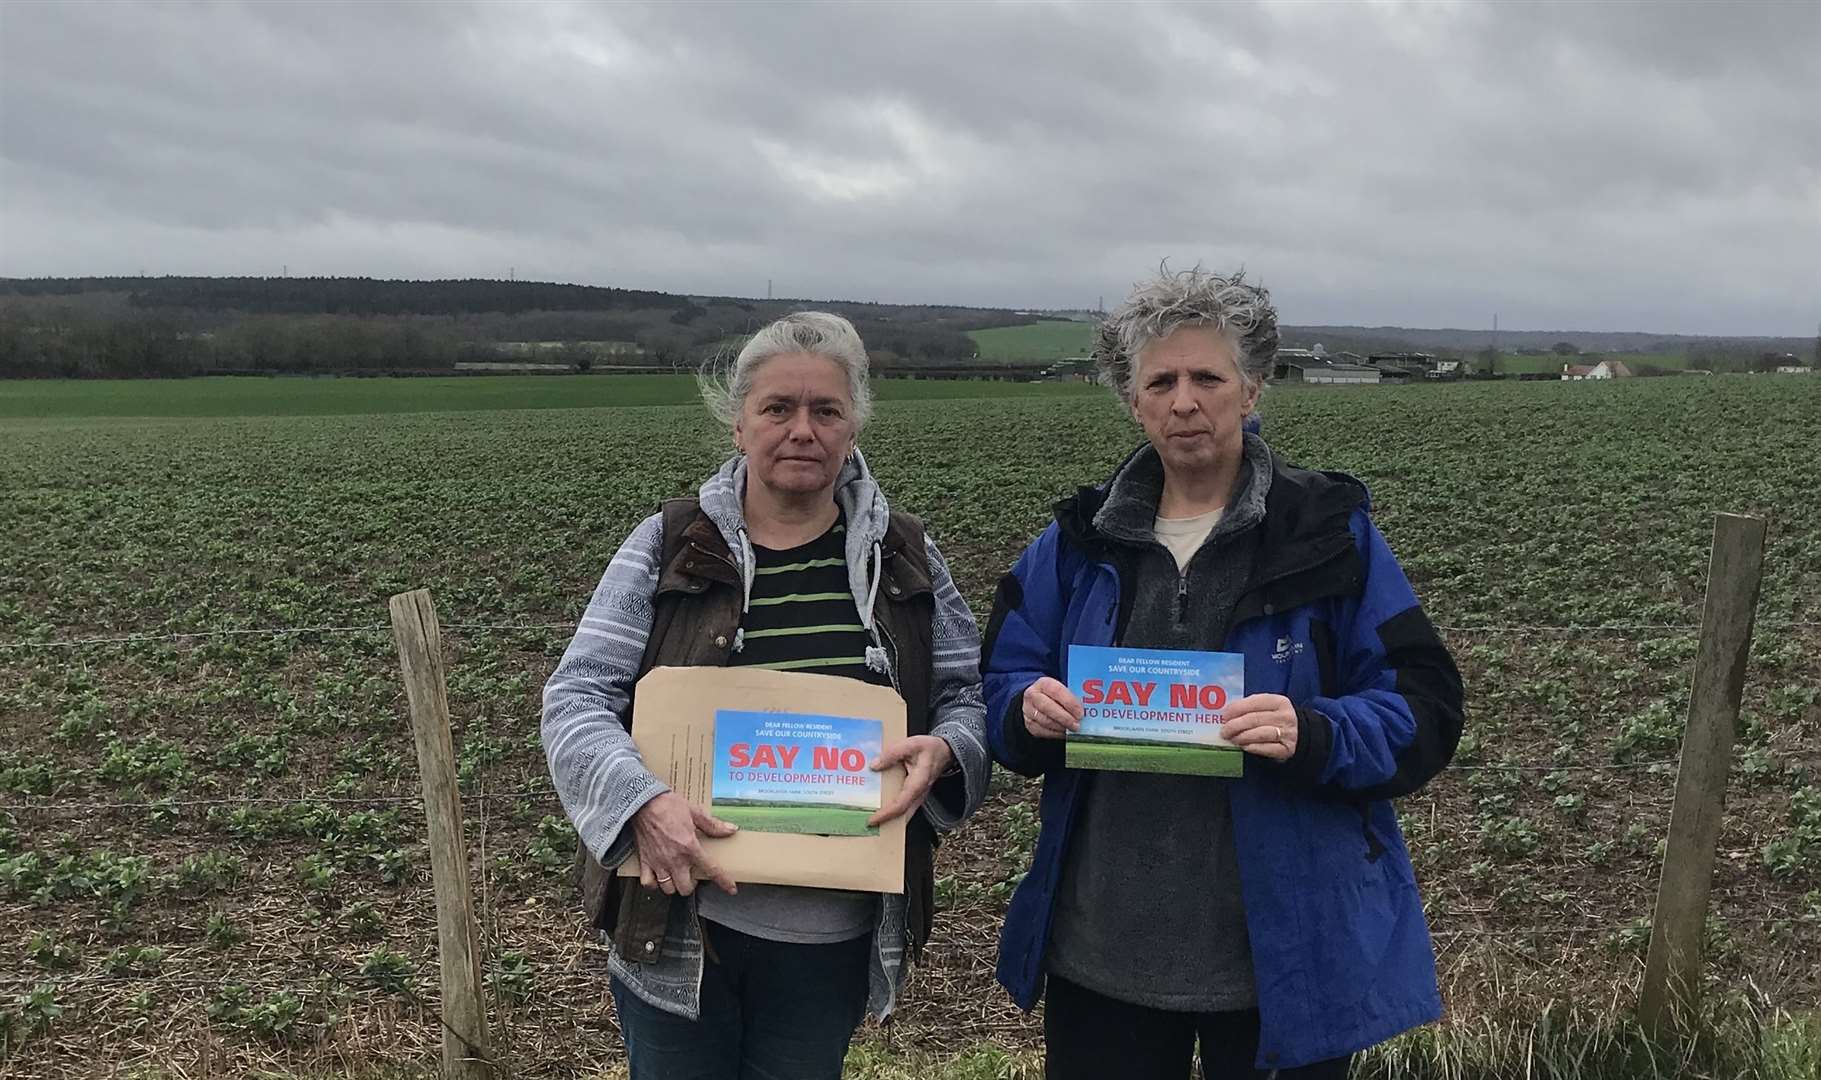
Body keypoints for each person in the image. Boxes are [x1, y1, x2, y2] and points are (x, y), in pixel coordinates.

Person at [981, 268, 1463, 1079]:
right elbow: (1001, 678)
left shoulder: (1329, 538)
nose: (1183, 401)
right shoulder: (1073, 544)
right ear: (1133, 403)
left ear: (1251, 390)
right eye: (1159, 381)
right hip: (1104, 955)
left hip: (1283, 962)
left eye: (1206, 377)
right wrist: (1022, 709)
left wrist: (1315, 731)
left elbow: (1425, 706)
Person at [543, 312, 991, 1080]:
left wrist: (949, 750)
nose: (801, 430)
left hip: (831, 940)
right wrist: (642, 804)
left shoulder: (906, 555)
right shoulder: (668, 544)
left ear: (853, 429)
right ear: (738, 425)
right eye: (777, 409)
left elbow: (968, 694)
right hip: (682, 924)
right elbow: (577, 697)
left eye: (826, 411)